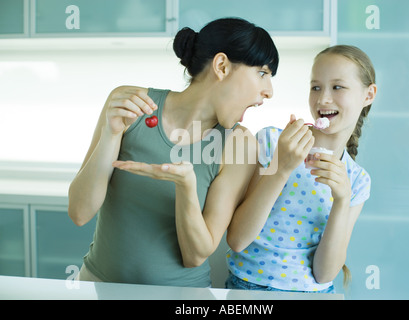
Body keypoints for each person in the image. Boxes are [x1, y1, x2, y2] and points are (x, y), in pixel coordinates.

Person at [68, 17, 279, 287]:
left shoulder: (240, 145)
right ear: (222, 66)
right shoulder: (132, 105)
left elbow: (196, 255)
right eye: (262, 73)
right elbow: (79, 212)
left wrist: (186, 187)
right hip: (99, 287)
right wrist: (111, 134)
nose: (269, 91)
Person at [225, 45, 377, 293]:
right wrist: (282, 168)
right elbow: (238, 240)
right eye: (316, 87)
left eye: (337, 87)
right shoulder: (272, 142)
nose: (323, 99)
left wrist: (342, 200)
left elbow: (325, 274)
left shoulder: (357, 181)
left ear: (368, 95)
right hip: (248, 289)